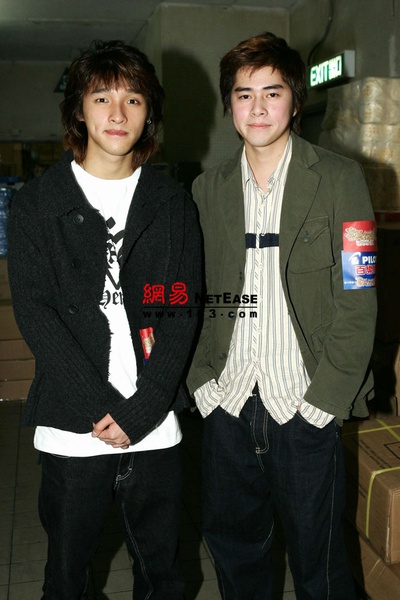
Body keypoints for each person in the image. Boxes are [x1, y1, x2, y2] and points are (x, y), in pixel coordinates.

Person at [8, 40, 202, 600]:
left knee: (162, 577)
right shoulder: (39, 203)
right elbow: (36, 312)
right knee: (66, 579)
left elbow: (180, 307)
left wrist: (143, 408)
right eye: (101, 97)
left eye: (133, 99)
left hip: (154, 424)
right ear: (79, 109)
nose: (118, 113)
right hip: (73, 426)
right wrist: (99, 406)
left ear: (149, 113)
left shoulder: (170, 203)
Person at [187, 32, 377, 600]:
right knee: (236, 560)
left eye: (272, 92)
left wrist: (325, 401)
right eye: (243, 94)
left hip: (304, 406)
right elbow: (197, 295)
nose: (258, 107)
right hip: (227, 405)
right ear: (229, 105)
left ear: (295, 99)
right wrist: (202, 382)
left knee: (321, 568)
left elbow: (358, 294)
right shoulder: (207, 190)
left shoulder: (339, 179)